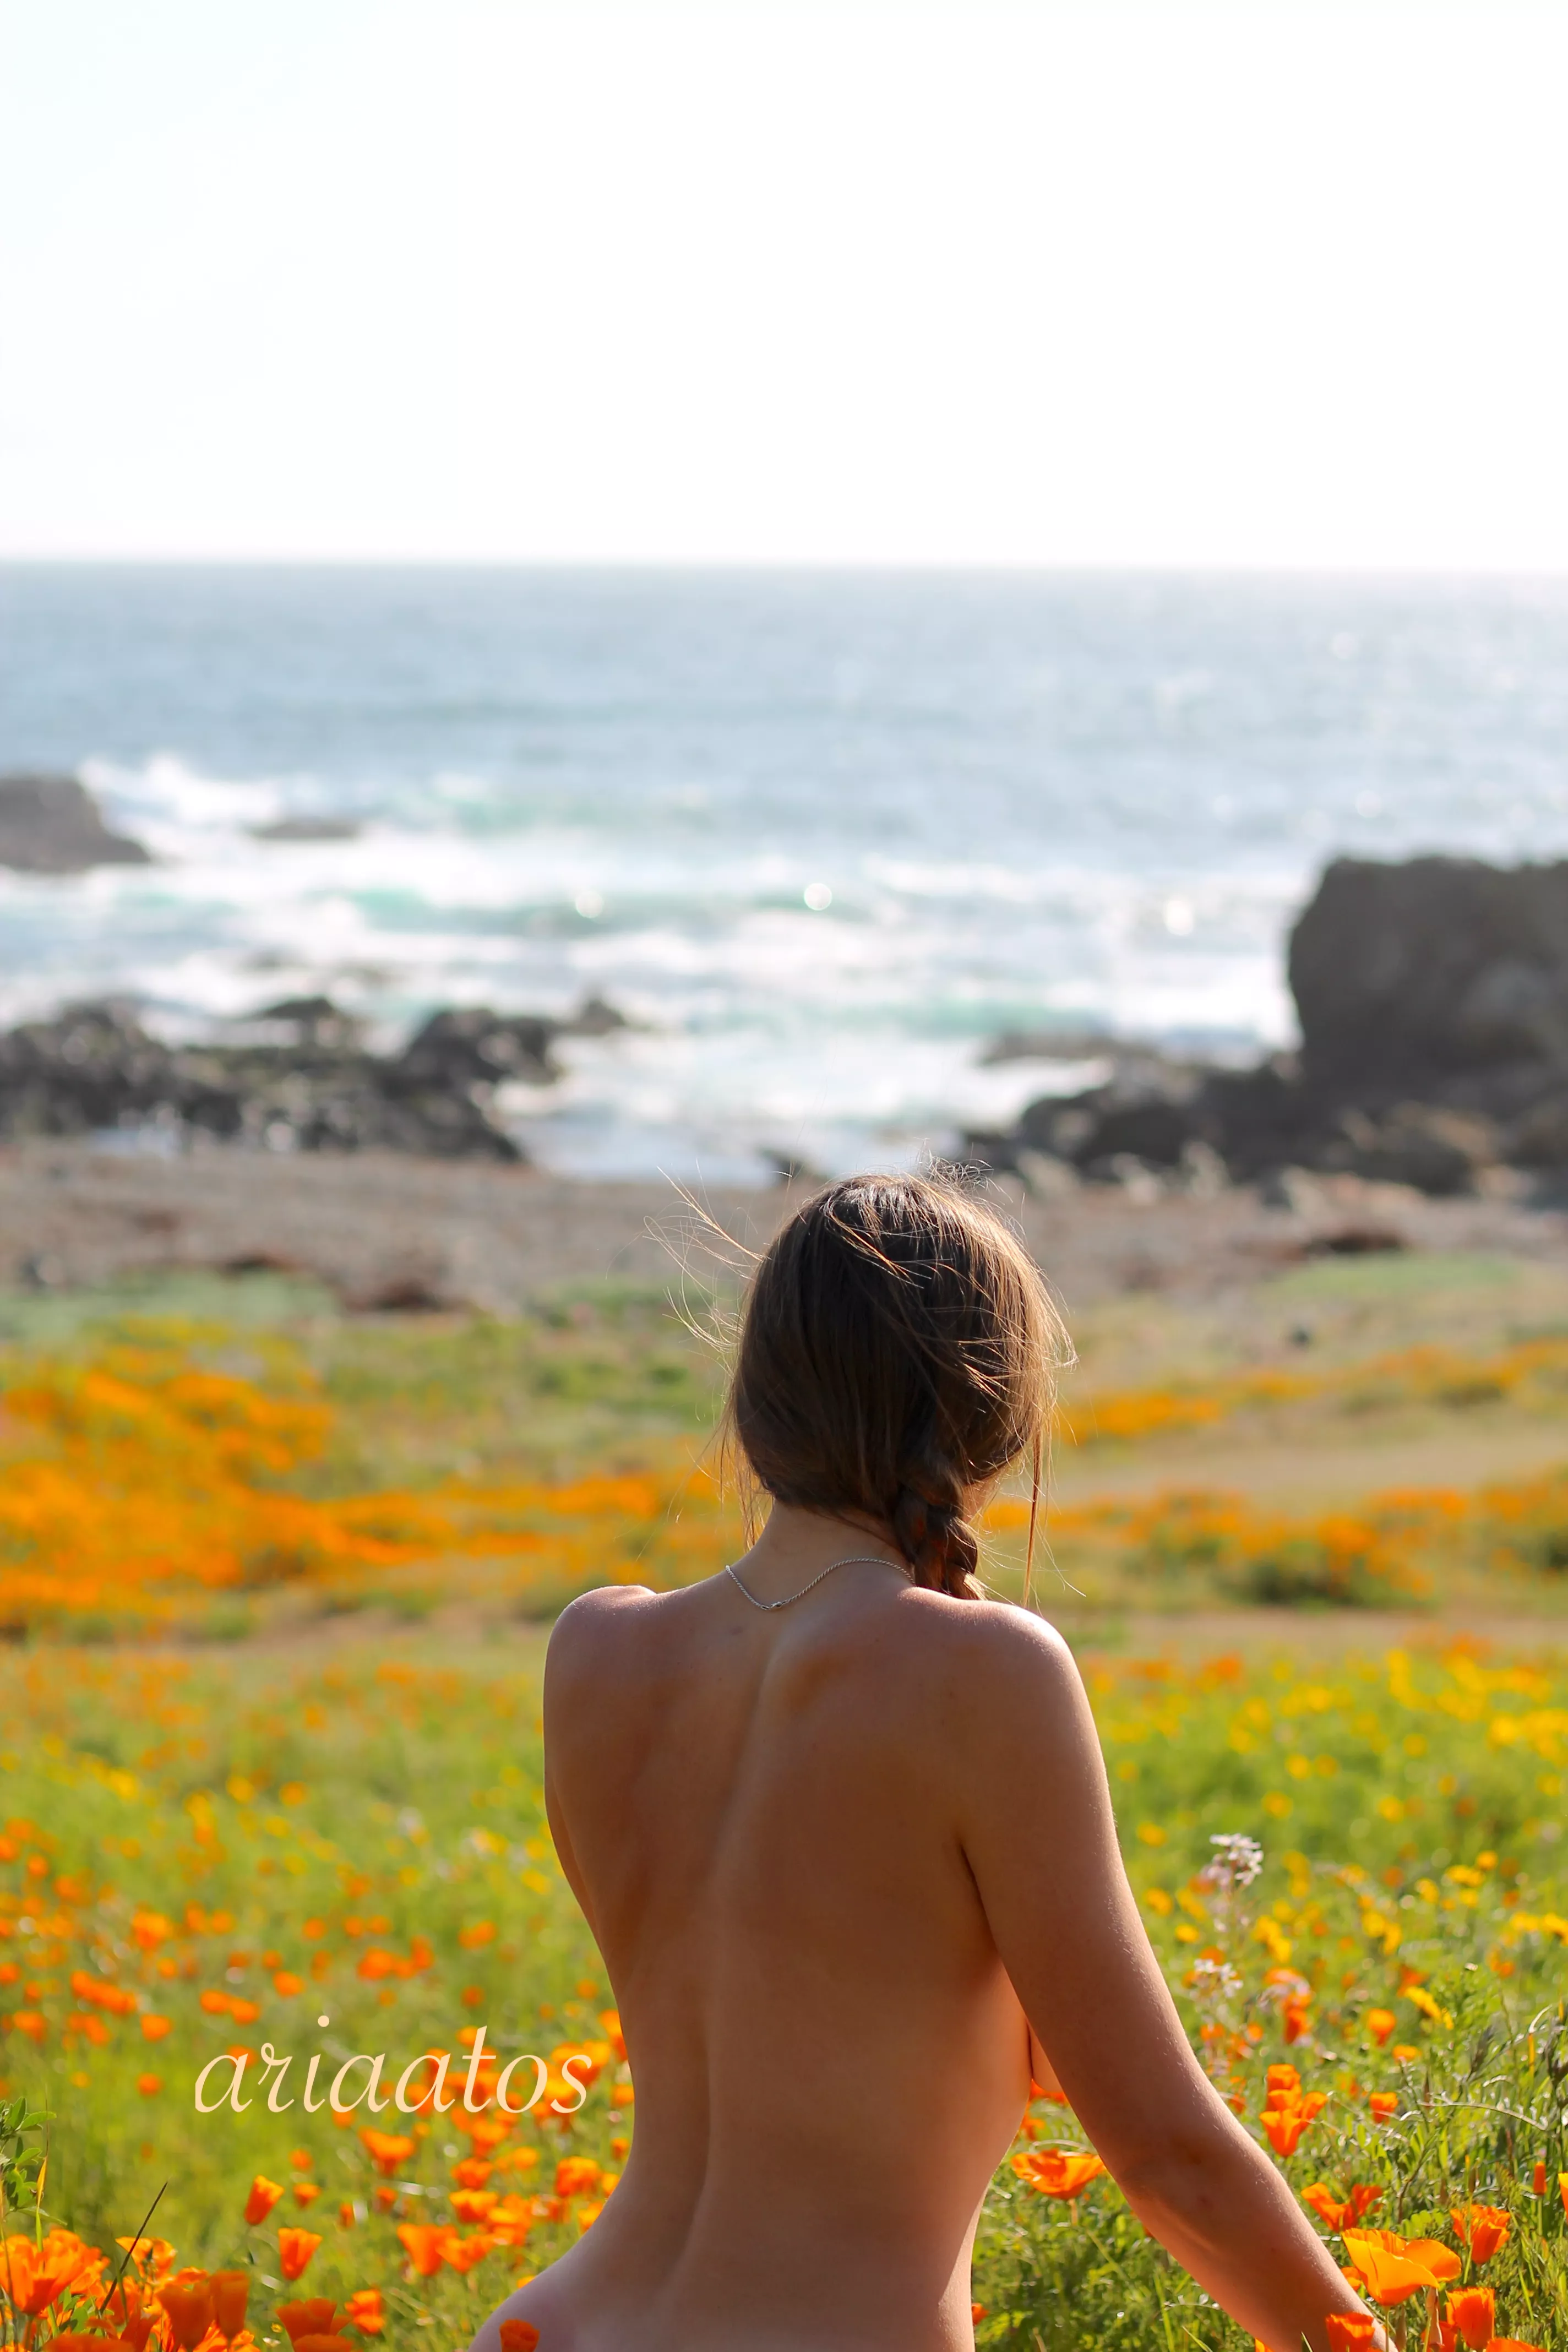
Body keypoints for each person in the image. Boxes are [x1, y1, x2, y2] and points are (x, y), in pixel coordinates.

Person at [471, 1173, 1375, 2352]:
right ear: (992, 1419)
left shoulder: (593, 1647)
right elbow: (1164, 2159)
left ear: (754, 1403)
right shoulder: (985, 1675)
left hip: (550, 2329)